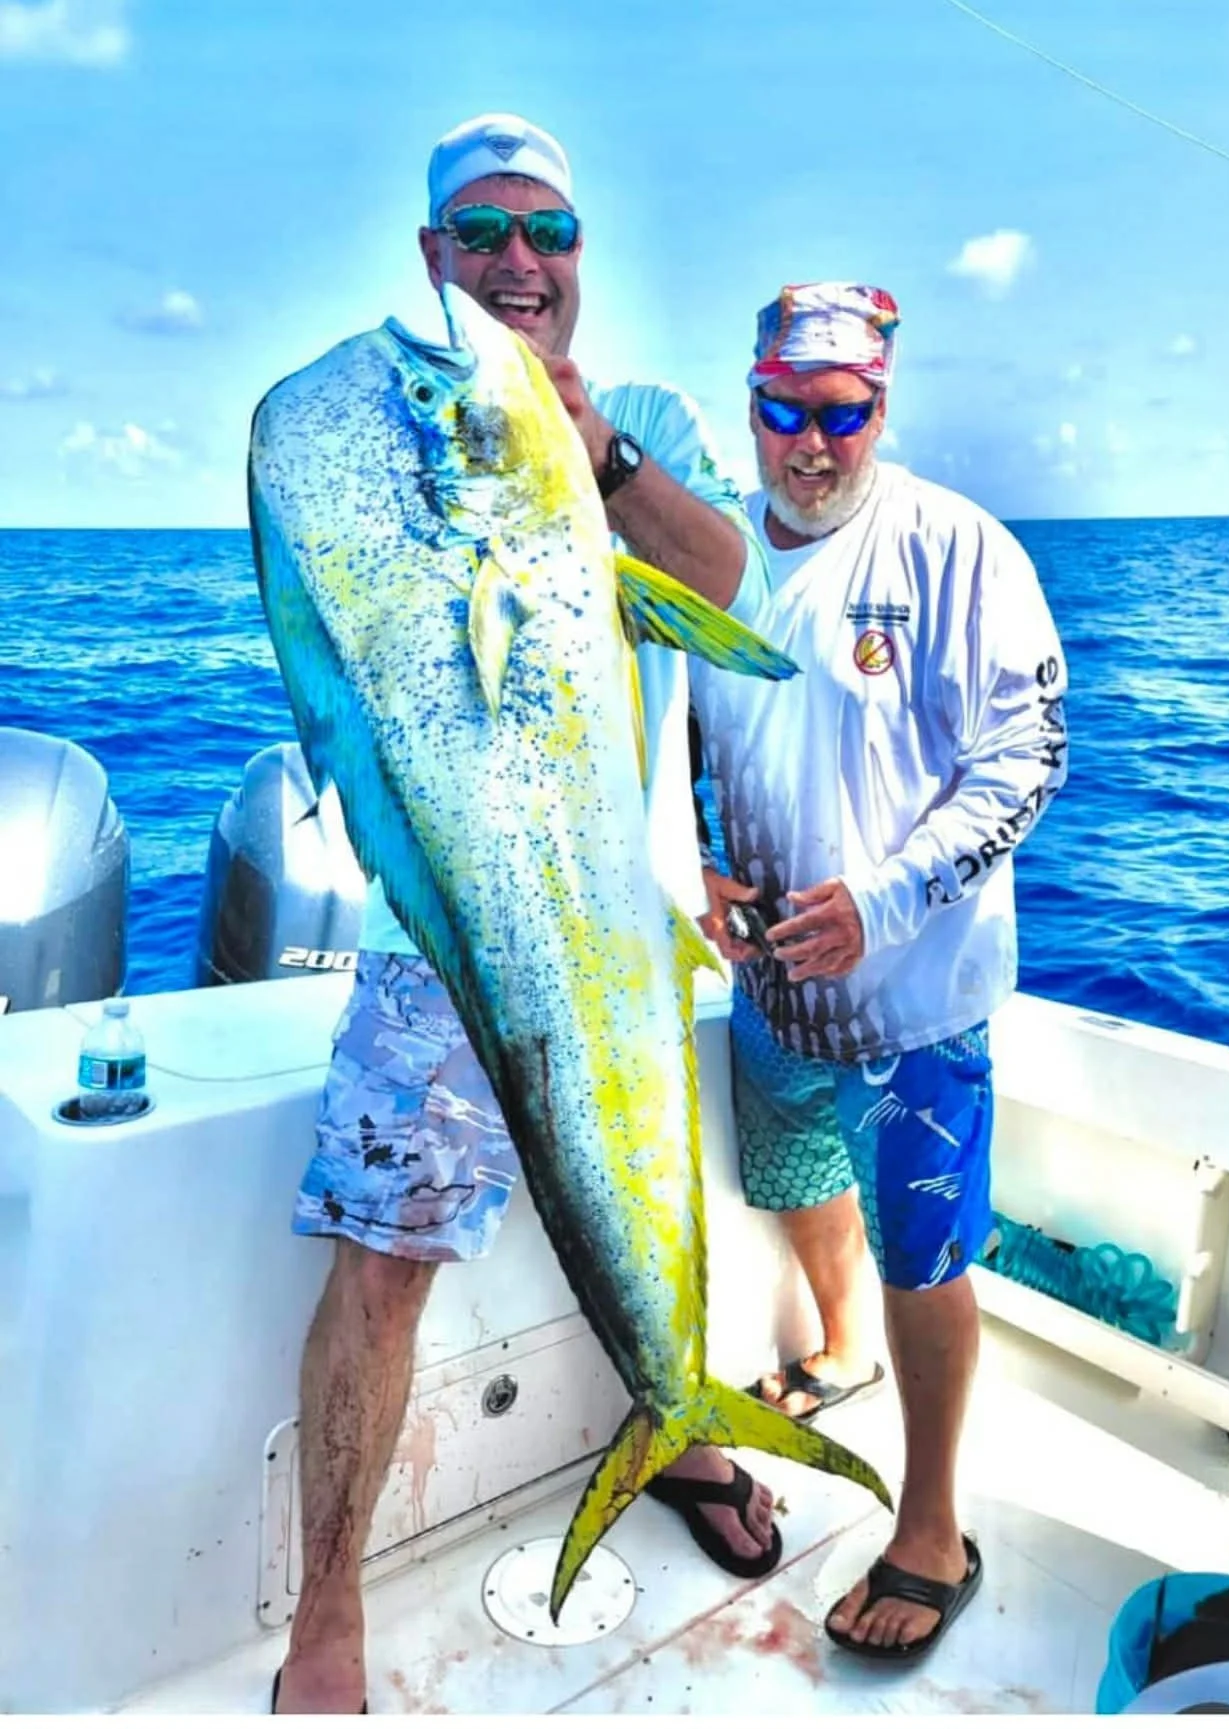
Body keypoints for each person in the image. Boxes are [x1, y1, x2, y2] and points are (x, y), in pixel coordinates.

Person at [272, 114, 777, 1715]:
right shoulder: (401, 438)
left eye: (546, 233)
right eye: (479, 236)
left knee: (653, 1196)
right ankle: (326, 1620)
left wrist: (590, 458)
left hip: (626, 927)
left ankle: (682, 1419)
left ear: (582, 256)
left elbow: (724, 576)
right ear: (433, 259)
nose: (515, 263)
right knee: (378, 1262)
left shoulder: (643, 418)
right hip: (445, 942)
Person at [690, 280, 1070, 1663]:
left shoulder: (961, 550)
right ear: (753, 402)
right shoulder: (716, 554)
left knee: (923, 1254)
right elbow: (671, 742)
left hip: (916, 1012)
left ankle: (931, 1527)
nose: (812, 441)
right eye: (786, 409)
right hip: (770, 995)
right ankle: (838, 1347)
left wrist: (888, 901)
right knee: (791, 1184)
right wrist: (699, 872)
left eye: (841, 414)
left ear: (880, 410)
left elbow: (1032, 760)